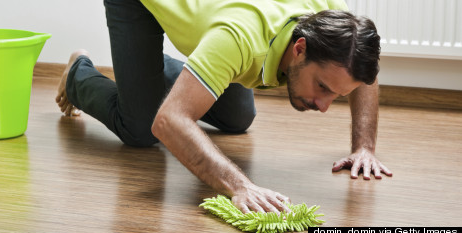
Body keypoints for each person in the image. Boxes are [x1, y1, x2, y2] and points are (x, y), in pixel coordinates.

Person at [55, 0, 393, 214]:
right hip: (140, 4)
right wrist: (240, 186)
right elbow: (169, 121)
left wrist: (364, 146)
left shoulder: (335, 24)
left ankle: (152, 75)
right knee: (141, 127)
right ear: (300, 49)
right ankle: (78, 74)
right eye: (322, 88)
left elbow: (363, 74)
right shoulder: (239, 38)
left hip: (222, 24)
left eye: (336, 95)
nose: (323, 107)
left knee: (237, 117)